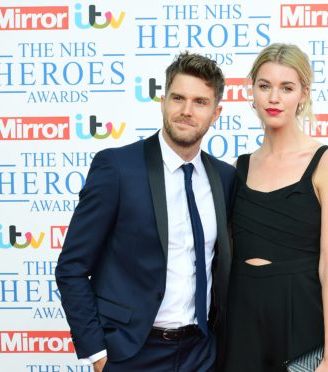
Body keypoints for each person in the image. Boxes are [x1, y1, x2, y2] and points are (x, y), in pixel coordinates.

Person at [55, 52, 236, 372]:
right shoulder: (118, 168)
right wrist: (98, 353)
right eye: (178, 98)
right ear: (163, 101)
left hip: (201, 353)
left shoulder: (224, 178)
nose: (186, 111)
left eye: (200, 102)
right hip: (132, 353)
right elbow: (71, 267)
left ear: (216, 112)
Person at [224, 43, 328, 372]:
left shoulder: (327, 161)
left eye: (287, 87)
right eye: (264, 86)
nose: (274, 98)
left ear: (303, 94)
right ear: (251, 91)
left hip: (301, 311)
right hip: (242, 314)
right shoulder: (237, 168)